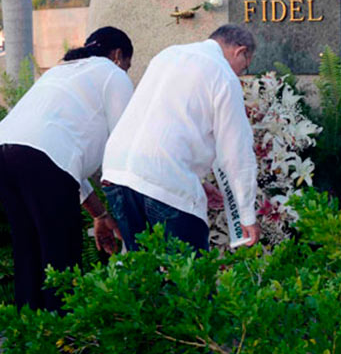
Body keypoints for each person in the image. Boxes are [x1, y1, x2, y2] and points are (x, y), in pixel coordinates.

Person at [0, 27, 134, 312]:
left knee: (27, 251)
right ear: (118, 56)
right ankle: (64, 341)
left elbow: (65, 164)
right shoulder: (113, 74)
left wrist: (100, 215)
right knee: (61, 255)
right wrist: (126, 217)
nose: (126, 71)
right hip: (43, 157)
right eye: (128, 65)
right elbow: (123, 147)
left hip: (2, 150)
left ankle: (30, 338)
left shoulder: (60, 72)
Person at [101, 24, 261, 253]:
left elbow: (162, 126)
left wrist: (198, 181)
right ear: (240, 51)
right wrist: (246, 215)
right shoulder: (223, 74)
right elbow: (236, 152)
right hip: (163, 180)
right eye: (244, 68)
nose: (240, 74)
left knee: (141, 275)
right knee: (189, 278)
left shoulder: (168, 54)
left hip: (117, 171)